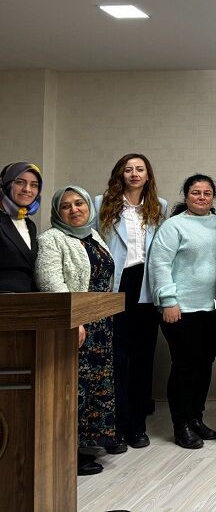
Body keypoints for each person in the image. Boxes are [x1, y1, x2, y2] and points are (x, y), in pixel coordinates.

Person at [35, 186, 116, 476]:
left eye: (79, 203)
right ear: (57, 212)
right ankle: (66, 451)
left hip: (100, 325)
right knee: (73, 388)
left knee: (95, 386)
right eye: (66, 206)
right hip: (75, 325)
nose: (74, 210)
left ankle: (90, 442)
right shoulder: (51, 239)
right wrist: (74, 320)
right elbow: (50, 282)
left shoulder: (93, 236)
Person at [94, 153, 167, 449]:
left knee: (143, 358)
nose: (134, 174)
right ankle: (117, 427)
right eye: (128, 169)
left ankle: (138, 426)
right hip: (115, 285)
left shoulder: (159, 207)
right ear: (120, 174)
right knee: (117, 358)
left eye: (140, 169)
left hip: (146, 286)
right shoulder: (101, 203)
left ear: (148, 175)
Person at [149, 174, 216, 450]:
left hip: (212, 309)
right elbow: (159, 264)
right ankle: (181, 425)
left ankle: (196, 418)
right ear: (186, 196)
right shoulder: (173, 226)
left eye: (207, 193)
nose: (201, 197)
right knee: (184, 367)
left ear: (213, 197)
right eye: (195, 192)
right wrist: (168, 300)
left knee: (204, 366)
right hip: (181, 309)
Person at [0, 162, 42, 293]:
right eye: (19, 182)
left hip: (28, 301)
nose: (27, 189)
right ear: (6, 184)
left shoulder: (30, 225)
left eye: (34, 185)